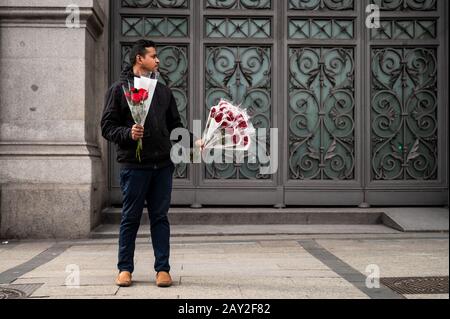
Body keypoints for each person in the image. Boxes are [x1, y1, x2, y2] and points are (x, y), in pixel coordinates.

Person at [101, 39, 198, 288]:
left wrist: (192, 142)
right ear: (139, 59)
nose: (157, 60)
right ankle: (124, 269)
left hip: (162, 165)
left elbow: (174, 125)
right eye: (153, 56)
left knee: (160, 217)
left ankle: (162, 269)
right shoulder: (119, 89)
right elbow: (107, 127)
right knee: (130, 218)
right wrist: (128, 133)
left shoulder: (163, 91)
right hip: (134, 165)